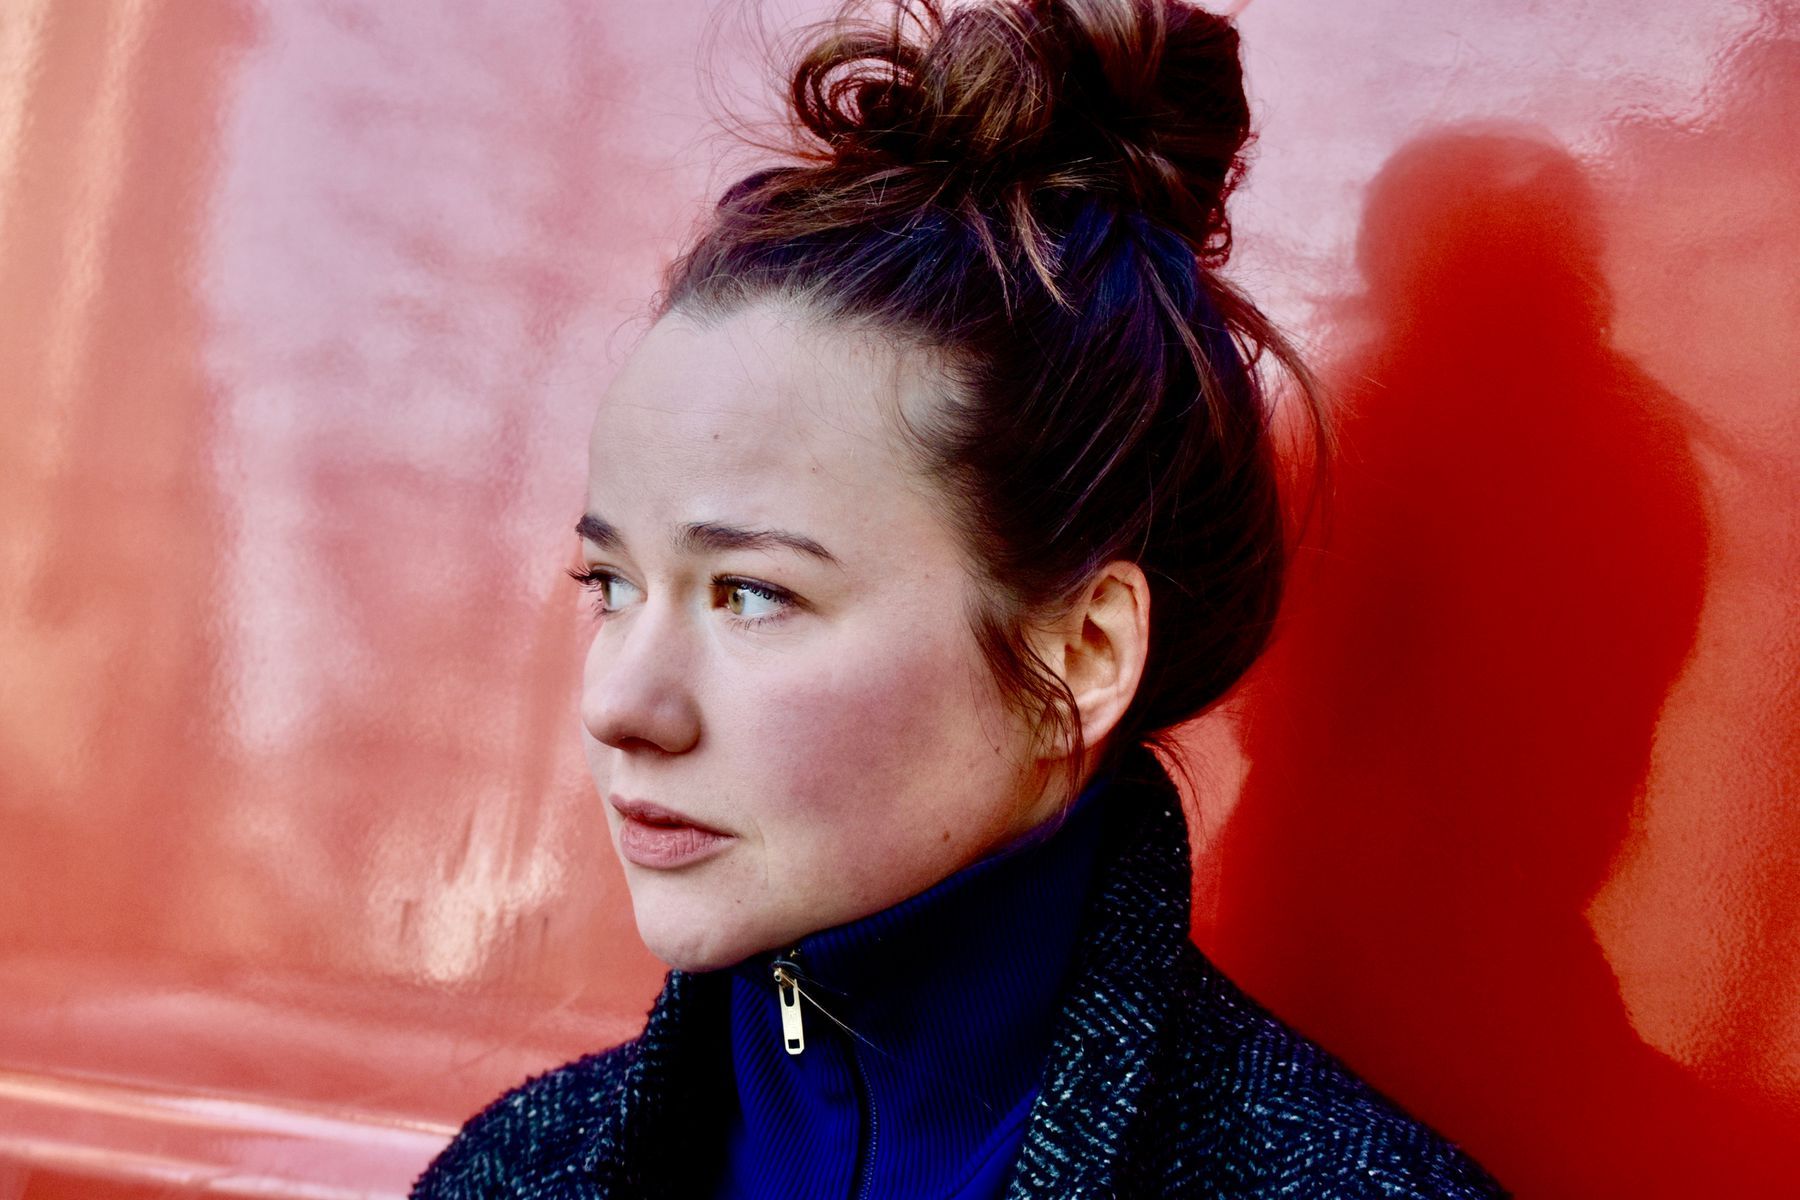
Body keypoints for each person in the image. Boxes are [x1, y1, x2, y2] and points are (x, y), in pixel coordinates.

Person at [411, 0, 1510, 1196]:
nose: (621, 705)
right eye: (612, 584)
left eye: (751, 594)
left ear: (1083, 655)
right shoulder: (512, 1172)